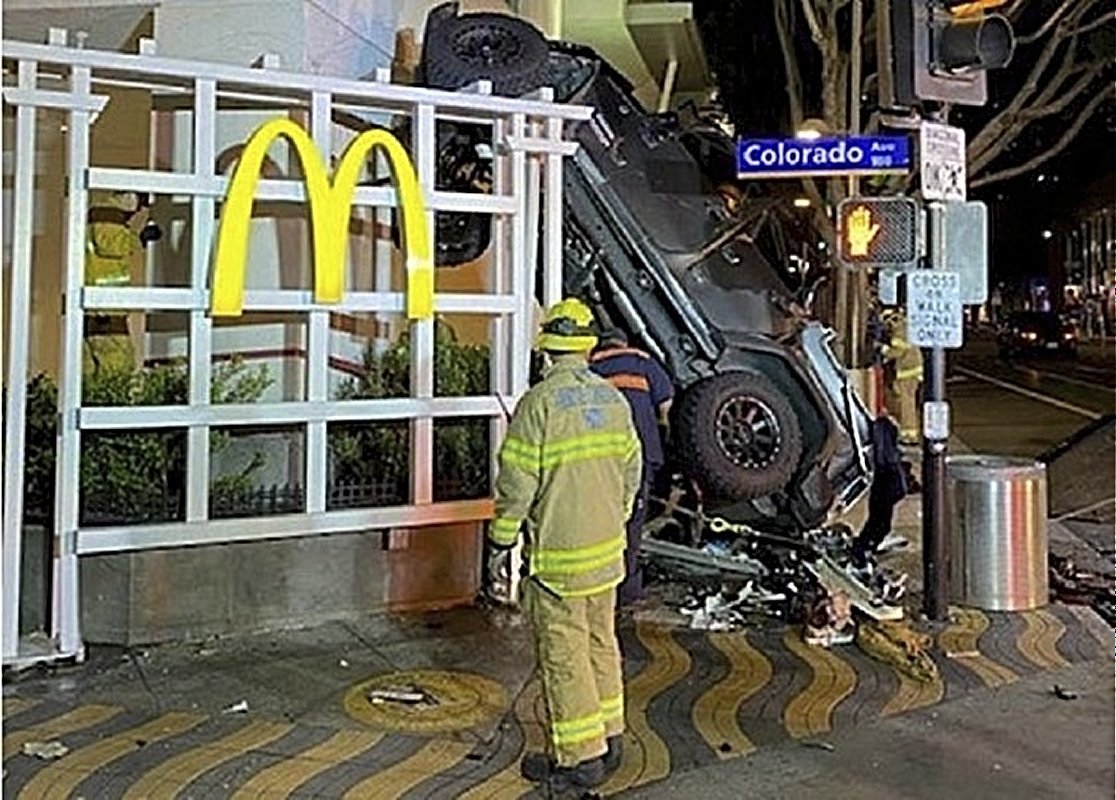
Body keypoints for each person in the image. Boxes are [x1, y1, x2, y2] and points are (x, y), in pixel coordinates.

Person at [488, 298, 642, 795]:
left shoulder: (539, 404)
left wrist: (501, 539)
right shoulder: (613, 400)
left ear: (546, 351)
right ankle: (610, 736)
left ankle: (580, 758)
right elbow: (630, 473)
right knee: (601, 643)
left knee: (564, 655)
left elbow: (517, 483)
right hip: (606, 555)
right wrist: (612, 522)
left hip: (559, 563)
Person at [589, 328, 674, 606]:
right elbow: (666, 405)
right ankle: (626, 590)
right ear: (624, 342)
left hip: (603, 457)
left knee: (603, 519)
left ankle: (601, 584)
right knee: (632, 522)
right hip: (640, 451)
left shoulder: (592, 367)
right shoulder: (641, 360)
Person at [83, 190, 160, 377]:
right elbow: (111, 245)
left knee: (92, 367)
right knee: (117, 363)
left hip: (101, 306)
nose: (138, 211)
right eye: (140, 204)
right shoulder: (107, 215)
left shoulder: (107, 214)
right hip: (104, 308)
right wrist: (140, 238)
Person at [852, 415, 908, 570]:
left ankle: (863, 549)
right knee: (880, 524)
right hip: (884, 489)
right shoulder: (890, 460)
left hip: (881, 489)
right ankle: (863, 551)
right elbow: (899, 489)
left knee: (877, 523)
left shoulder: (883, 455)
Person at [880, 307, 922, 445]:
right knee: (907, 403)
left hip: (907, 373)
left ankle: (909, 435)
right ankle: (909, 432)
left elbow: (898, 351)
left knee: (906, 404)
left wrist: (884, 350)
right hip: (911, 371)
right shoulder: (905, 327)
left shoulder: (900, 330)